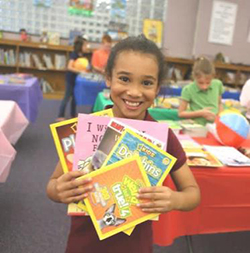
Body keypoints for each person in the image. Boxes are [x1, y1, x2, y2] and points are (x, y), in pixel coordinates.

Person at [47, 35, 200, 253]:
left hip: (134, 246)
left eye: (146, 83)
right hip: (85, 243)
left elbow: (193, 193)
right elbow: (52, 186)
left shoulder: (163, 136)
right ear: (108, 78)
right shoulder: (87, 129)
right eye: (124, 79)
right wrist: (59, 190)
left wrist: (175, 199)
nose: (134, 92)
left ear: (157, 88)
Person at [178, 56, 224, 125]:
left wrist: (218, 117)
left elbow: (219, 104)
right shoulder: (188, 90)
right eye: (200, 83)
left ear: (212, 77)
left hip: (215, 126)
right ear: (194, 77)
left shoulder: (217, 84)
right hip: (197, 127)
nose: (204, 86)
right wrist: (201, 113)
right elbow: (181, 113)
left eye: (208, 82)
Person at [57, 36, 89, 121]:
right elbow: (69, 67)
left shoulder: (83, 55)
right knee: (67, 97)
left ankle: (72, 114)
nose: (87, 47)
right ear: (80, 46)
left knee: (75, 98)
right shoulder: (74, 54)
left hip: (77, 80)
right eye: (85, 45)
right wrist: (80, 71)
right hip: (70, 79)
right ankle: (60, 115)